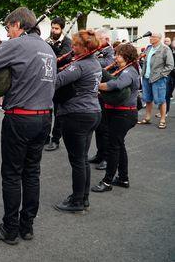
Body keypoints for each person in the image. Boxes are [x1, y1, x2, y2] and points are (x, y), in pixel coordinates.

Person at [0, 7, 56, 245]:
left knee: (11, 174)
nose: (8, 32)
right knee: (32, 173)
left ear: (18, 25)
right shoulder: (47, 48)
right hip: (44, 118)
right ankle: (26, 227)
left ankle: (9, 229)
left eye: (8, 27)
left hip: (20, 117)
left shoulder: (17, 44)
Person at [53, 30, 102, 213]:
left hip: (77, 114)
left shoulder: (80, 66)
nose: (72, 48)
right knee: (82, 158)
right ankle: (84, 197)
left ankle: (77, 201)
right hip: (92, 112)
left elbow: (55, 81)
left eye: (76, 45)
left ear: (84, 47)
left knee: (77, 160)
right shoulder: (95, 63)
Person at [92, 44, 140, 193]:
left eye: (118, 55)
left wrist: (96, 85)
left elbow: (116, 85)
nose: (115, 57)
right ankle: (123, 178)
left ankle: (107, 182)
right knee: (119, 145)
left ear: (126, 57)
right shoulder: (127, 70)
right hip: (122, 113)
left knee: (113, 147)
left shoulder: (129, 72)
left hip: (124, 114)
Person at [89, 29, 115, 170]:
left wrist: (91, 59)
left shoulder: (110, 51)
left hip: (106, 93)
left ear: (106, 39)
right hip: (98, 92)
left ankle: (106, 157)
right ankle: (100, 154)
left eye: (98, 38)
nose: (96, 40)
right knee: (99, 127)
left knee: (105, 128)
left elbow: (107, 63)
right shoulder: (99, 50)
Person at [44, 17, 72, 152]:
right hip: (48, 78)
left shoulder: (67, 41)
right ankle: (45, 137)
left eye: (56, 28)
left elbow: (65, 57)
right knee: (47, 111)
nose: (53, 30)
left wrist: (53, 48)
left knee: (59, 113)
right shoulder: (47, 40)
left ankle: (55, 139)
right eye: (52, 27)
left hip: (61, 80)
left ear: (61, 29)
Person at [137, 33, 174, 129]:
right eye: (150, 37)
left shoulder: (165, 49)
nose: (150, 38)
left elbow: (170, 65)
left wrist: (161, 75)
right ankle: (148, 118)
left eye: (153, 37)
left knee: (161, 100)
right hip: (146, 78)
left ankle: (162, 120)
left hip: (158, 79)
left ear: (159, 38)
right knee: (147, 99)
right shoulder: (148, 48)